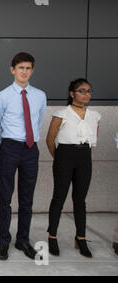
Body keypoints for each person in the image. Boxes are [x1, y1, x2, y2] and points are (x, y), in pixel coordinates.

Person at [0, 52, 46, 260]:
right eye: (21, 67)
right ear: (12, 69)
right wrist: (7, 143)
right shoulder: (3, 96)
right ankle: (3, 240)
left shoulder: (40, 95)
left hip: (31, 149)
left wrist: (28, 141)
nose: (24, 72)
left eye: (28, 68)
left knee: (27, 198)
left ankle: (23, 239)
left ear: (32, 70)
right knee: (5, 196)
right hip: (9, 148)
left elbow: (38, 122)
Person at [46, 78, 101, 258]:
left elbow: (93, 137)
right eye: (82, 91)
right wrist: (60, 158)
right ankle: (52, 236)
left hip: (85, 156)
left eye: (89, 91)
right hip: (65, 155)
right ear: (72, 94)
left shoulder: (95, 116)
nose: (87, 94)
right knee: (59, 196)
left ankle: (81, 238)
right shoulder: (62, 114)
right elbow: (50, 139)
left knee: (80, 199)